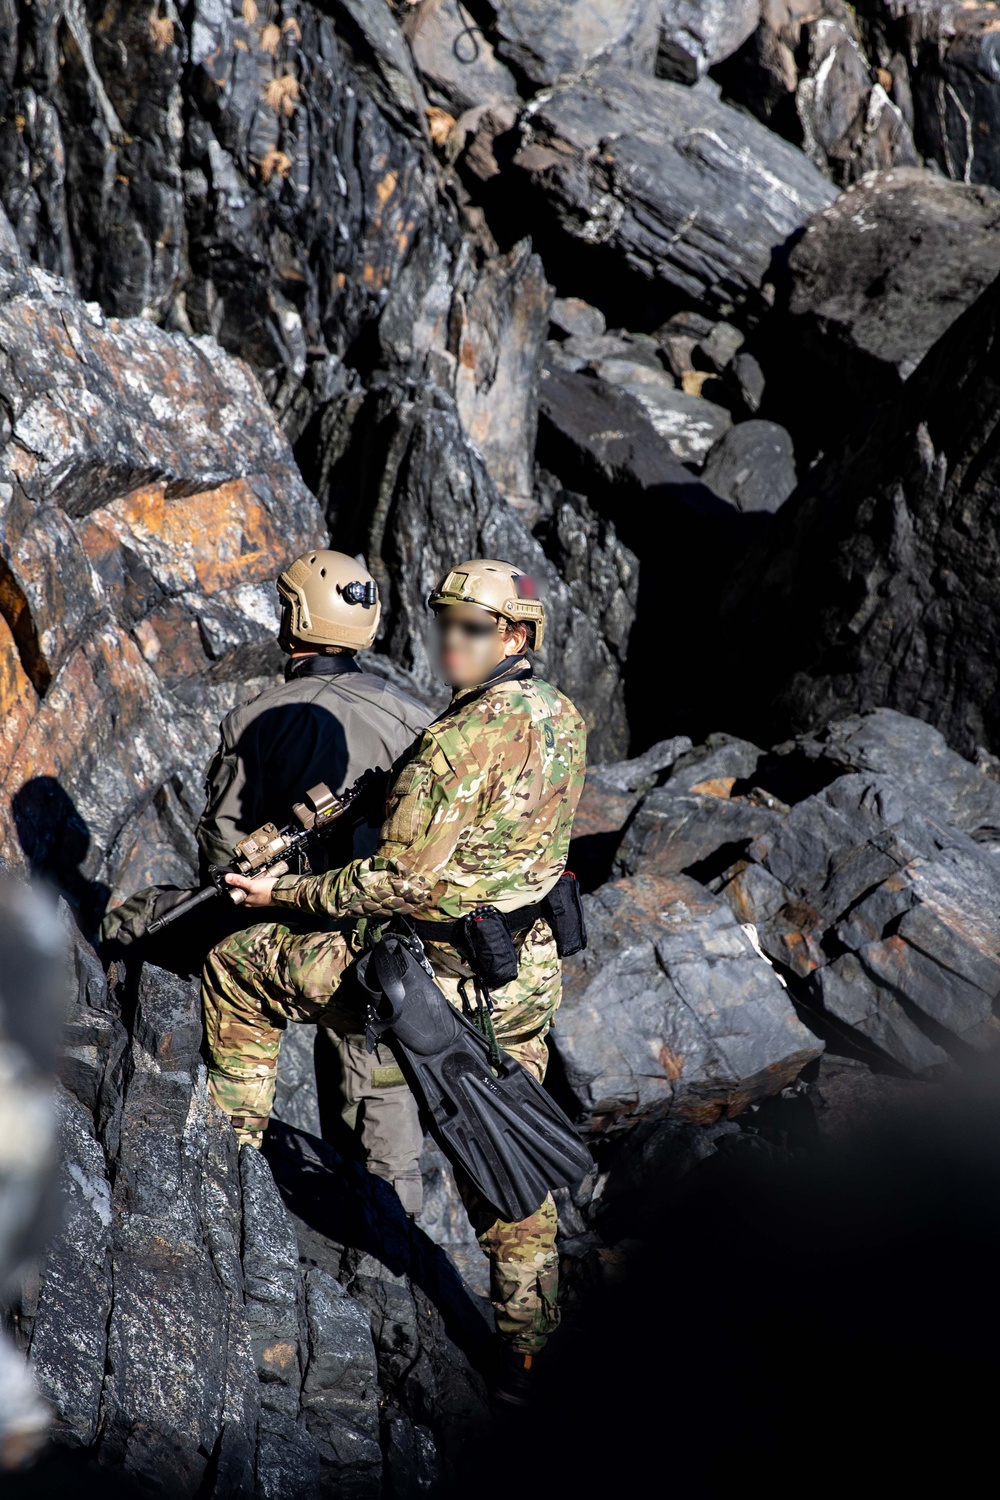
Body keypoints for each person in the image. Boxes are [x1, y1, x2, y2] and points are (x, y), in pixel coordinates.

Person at [201, 558, 587, 1405]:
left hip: (434, 975)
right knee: (504, 1146)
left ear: (516, 636)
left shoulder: (456, 742)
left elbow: (395, 883)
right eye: (445, 620)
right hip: (520, 971)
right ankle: (530, 1351)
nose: (452, 638)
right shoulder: (561, 716)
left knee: (238, 967)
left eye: (473, 627)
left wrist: (283, 891)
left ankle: (221, 1170)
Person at [103, 548, 430, 1213]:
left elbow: (221, 857)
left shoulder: (262, 716)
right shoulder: (419, 714)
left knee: (133, 926)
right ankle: (397, 1240)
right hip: (398, 945)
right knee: (374, 1093)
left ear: (300, 617)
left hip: (284, 926)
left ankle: (215, 1162)